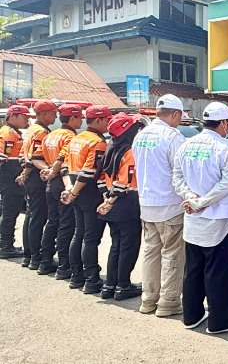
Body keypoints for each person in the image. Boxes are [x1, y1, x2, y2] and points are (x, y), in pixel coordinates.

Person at [172, 101, 228, 334]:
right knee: (219, 270)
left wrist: (190, 197)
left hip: (192, 215)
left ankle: (191, 316)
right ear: (223, 123)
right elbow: (226, 184)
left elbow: (176, 177)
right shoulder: (227, 148)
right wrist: (201, 202)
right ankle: (221, 321)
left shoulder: (185, 145)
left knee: (193, 268)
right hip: (218, 217)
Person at [132, 94, 187, 316]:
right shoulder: (173, 138)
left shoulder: (141, 136)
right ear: (174, 114)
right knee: (172, 253)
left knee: (150, 252)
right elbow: (182, 172)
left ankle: (148, 299)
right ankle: (169, 301)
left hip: (146, 205)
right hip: (170, 205)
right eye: (180, 117)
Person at [61, 105, 111, 293]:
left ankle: (76, 276)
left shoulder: (76, 139)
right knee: (90, 237)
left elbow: (65, 167)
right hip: (89, 192)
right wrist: (73, 191)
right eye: (106, 119)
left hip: (75, 189)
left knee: (78, 233)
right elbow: (89, 171)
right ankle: (91, 279)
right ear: (98, 120)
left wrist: (70, 189)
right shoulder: (97, 142)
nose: (108, 123)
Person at [96, 113, 144, 301]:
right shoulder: (129, 151)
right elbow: (124, 181)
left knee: (116, 246)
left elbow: (100, 178)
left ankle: (110, 285)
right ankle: (123, 285)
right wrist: (110, 201)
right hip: (125, 203)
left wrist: (106, 199)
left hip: (112, 205)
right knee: (129, 246)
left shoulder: (110, 148)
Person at [38, 104, 83, 278]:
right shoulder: (70, 136)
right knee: (66, 225)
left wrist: (49, 172)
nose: (81, 121)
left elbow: (38, 157)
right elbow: (63, 159)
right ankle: (64, 265)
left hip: (51, 184)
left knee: (52, 222)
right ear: (72, 118)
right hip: (64, 182)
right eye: (79, 117)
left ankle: (45, 260)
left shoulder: (50, 135)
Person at [17, 100, 57, 271]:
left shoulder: (30, 130)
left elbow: (22, 155)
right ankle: (35, 257)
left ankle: (28, 255)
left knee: (32, 216)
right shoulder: (41, 132)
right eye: (53, 112)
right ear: (44, 114)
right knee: (38, 217)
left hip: (30, 175)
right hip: (37, 175)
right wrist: (48, 170)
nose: (55, 116)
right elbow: (35, 157)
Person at [0, 105, 31, 260]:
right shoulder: (9, 133)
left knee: (10, 212)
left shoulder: (13, 132)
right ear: (12, 116)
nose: (27, 119)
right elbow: (1, 157)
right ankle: (5, 246)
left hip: (10, 177)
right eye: (24, 116)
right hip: (9, 178)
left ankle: (6, 244)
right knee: (9, 212)